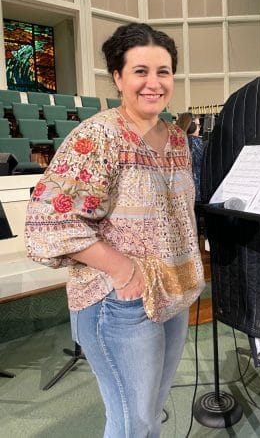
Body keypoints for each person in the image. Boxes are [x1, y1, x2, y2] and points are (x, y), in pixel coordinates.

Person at [24, 23, 205, 438]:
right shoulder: (98, 136)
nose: (154, 83)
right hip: (119, 301)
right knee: (131, 421)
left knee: (151, 412)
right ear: (118, 77)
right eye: (140, 71)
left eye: (163, 71)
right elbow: (47, 222)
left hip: (173, 291)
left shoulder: (177, 139)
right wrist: (124, 271)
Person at [175, 112, 203, 203]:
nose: (200, 128)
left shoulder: (174, 141)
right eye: (198, 125)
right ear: (191, 127)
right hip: (195, 192)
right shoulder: (195, 142)